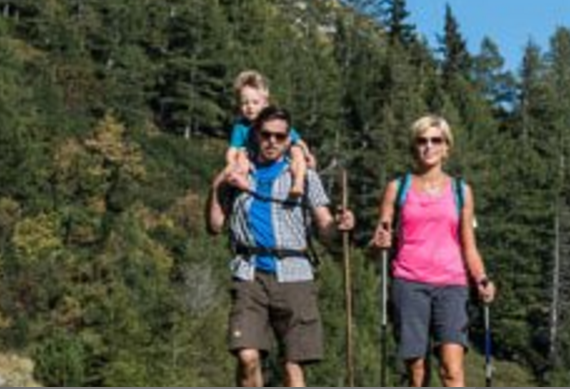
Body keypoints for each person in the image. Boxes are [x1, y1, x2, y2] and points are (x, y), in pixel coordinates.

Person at [207, 105, 355, 387]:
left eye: (279, 136)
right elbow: (214, 226)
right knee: (247, 357)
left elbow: (325, 229)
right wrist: (217, 186)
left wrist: (340, 225)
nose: (272, 142)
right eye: (266, 135)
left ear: (289, 139)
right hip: (249, 273)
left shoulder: (304, 177)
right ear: (255, 135)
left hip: (295, 273)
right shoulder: (238, 174)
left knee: (293, 366)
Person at [370, 115, 495, 387]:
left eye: (435, 140)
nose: (428, 146)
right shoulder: (397, 188)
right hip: (409, 282)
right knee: (417, 370)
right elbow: (379, 240)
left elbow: (468, 245)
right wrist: (379, 241)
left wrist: (482, 279)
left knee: (452, 368)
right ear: (413, 146)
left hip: (452, 284)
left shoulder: (461, 191)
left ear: (446, 147)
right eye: (422, 140)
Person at [222, 70, 312, 197]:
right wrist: (231, 163)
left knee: (296, 151)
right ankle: (242, 181)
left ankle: (298, 183)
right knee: (242, 154)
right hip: (253, 158)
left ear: (265, 103)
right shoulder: (241, 127)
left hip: (279, 155)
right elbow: (233, 149)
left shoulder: (274, 121)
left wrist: (307, 154)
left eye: (255, 102)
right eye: (244, 103)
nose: (249, 107)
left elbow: (297, 140)